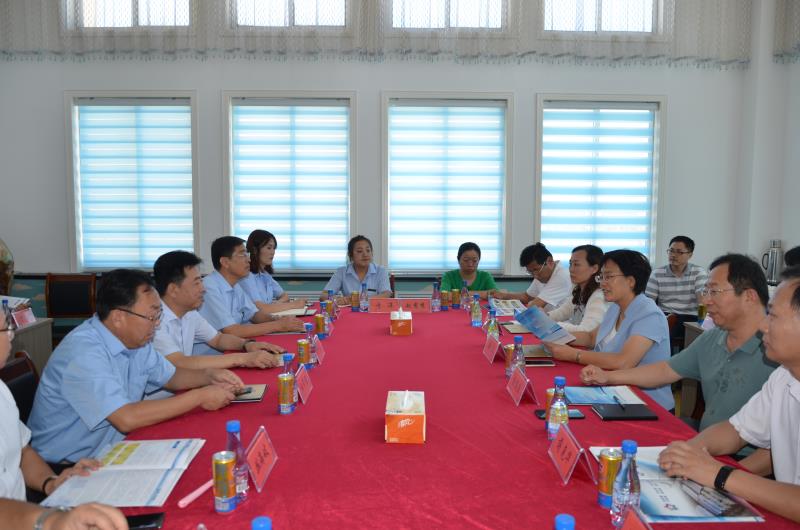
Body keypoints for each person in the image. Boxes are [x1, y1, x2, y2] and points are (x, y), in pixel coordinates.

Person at [29, 269, 241, 463]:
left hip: (114, 450)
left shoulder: (135, 341)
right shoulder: (83, 352)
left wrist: (209, 376)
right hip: (68, 468)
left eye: (158, 315)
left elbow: (172, 377)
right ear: (118, 317)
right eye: (152, 316)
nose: (157, 324)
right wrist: (200, 397)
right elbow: (126, 418)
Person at [657, 266, 800, 523]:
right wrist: (690, 452)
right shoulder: (784, 377)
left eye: (774, 316)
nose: (763, 326)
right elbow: (736, 430)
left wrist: (719, 474)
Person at [581, 254, 776, 431]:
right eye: (706, 291)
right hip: (709, 443)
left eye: (714, 291)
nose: (706, 301)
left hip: (741, 454)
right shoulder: (711, 339)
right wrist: (607, 377)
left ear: (749, 296)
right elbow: (664, 371)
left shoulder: (778, 352)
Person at [0, 306, 128, 530]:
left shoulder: (2, 391)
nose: (12, 335)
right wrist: (49, 520)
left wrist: (51, 483)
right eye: (5, 328)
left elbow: (22, 451)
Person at [546, 249, 674, 410]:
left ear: (631, 281)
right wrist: (555, 335)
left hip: (645, 404)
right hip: (610, 390)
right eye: (601, 277)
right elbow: (591, 338)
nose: (602, 283)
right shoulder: (616, 307)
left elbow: (623, 362)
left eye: (608, 277)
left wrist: (574, 355)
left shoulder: (649, 315)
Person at [153, 250, 284, 371]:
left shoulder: (189, 313)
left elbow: (217, 339)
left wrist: (247, 345)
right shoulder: (154, 321)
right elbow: (180, 362)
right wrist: (243, 359)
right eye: (196, 283)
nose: (203, 289)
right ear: (173, 290)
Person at [195, 236, 305, 355]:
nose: (249, 260)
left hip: (234, 348)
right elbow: (231, 331)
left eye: (247, 254)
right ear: (225, 262)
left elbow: (254, 314)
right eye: (242, 255)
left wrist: (278, 319)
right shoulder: (209, 287)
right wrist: (278, 326)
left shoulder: (235, 285)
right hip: (208, 356)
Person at [645, 235, 708, 348]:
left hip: (690, 317)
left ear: (690, 254)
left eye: (679, 252)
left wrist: (703, 322)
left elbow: (702, 302)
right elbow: (648, 302)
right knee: (662, 323)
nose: (673, 255)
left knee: (675, 326)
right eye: (671, 251)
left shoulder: (698, 273)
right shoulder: (657, 273)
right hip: (665, 315)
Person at [240, 229, 307, 314]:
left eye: (274, 248)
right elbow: (261, 309)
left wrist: (275, 305)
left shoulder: (265, 275)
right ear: (255, 250)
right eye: (269, 248)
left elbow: (284, 296)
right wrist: (294, 305)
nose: (273, 252)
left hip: (268, 318)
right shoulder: (246, 276)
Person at [491, 243, 572, 310]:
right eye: (530, 272)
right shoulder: (540, 274)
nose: (535, 276)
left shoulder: (562, 276)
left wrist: (531, 303)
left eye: (536, 270)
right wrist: (503, 295)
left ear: (549, 262)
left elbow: (534, 305)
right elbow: (527, 297)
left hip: (562, 323)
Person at [546, 244, 608, 333]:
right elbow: (563, 312)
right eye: (570, 264)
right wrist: (545, 316)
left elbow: (586, 331)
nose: (571, 269)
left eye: (576, 264)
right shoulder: (580, 290)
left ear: (594, 268)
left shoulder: (598, 296)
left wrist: (552, 325)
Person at [321, 235, 392, 301]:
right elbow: (323, 296)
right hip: (350, 310)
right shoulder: (341, 272)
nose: (365, 254)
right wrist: (339, 299)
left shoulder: (381, 271)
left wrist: (363, 300)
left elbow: (387, 294)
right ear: (350, 255)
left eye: (368, 250)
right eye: (359, 251)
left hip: (372, 309)